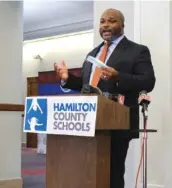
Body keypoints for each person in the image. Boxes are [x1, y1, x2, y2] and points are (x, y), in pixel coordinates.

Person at [54, 8, 156, 188]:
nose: (106, 25)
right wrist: (67, 79)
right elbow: (87, 86)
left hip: (117, 122)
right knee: (86, 171)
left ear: (122, 25)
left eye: (111, 21)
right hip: (87, 121)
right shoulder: (93, 53)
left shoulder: (137, 51)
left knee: (112, 172)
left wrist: (118, 76)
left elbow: (148, 81)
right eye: (102, 21)